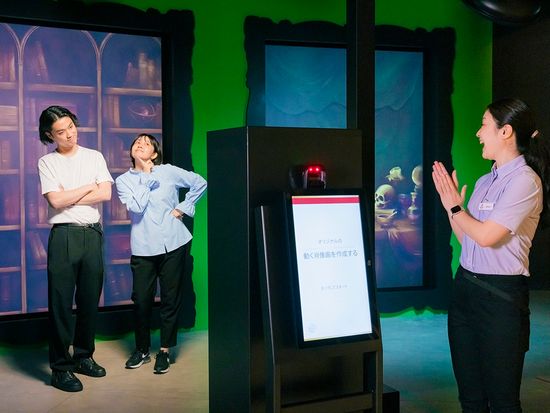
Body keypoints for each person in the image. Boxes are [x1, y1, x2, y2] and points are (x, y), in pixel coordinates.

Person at [432, 98, 550, 412]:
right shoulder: (485, 181)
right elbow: (469, 240)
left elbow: (487, 237)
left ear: (505, 132)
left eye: (484, 125)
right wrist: (451, 208)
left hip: (500, 299)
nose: (478, 133)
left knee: (503, 402)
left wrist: (455, 207)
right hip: (465, 291)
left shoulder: (525, 181)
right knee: (470, 399)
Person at [115, 133, 206, 374]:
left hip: (173, 243)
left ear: (154, 154)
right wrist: (145, 178)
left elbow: (200, 182)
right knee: (141, 301)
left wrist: (183, 208)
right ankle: (142, 350)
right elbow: (136, 207)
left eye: (146, 143)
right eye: (137, 142)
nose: (140, 144)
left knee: (170, 299)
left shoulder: (168, 171)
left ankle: (164, 351)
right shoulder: (123, 180)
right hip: (143, 247)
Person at [38, 105, 113, 392]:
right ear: (50, 135)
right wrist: (87, 187)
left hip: (92, 234)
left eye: (71, 126)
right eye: (61, 131)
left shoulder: (94, 156)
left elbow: (105, 193)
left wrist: (69, 194)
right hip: (64, 236)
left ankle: (84, 357)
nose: (69, 134)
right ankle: (60, 369)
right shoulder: (47, 162)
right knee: (60, 304)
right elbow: (55, 201)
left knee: (89, 300)